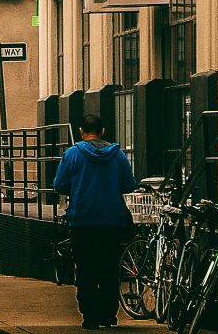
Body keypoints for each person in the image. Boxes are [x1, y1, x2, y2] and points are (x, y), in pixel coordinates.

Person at [52, 115, 137, 330]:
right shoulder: (117, 155)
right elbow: (129, 185)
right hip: (111, 220)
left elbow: (59, 184)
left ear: (81, 131)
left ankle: (89, 316)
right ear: (103, 130)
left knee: (86, 269)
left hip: (82, 220)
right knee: (109, 267)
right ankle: (108, 315)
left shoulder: (72, 154)